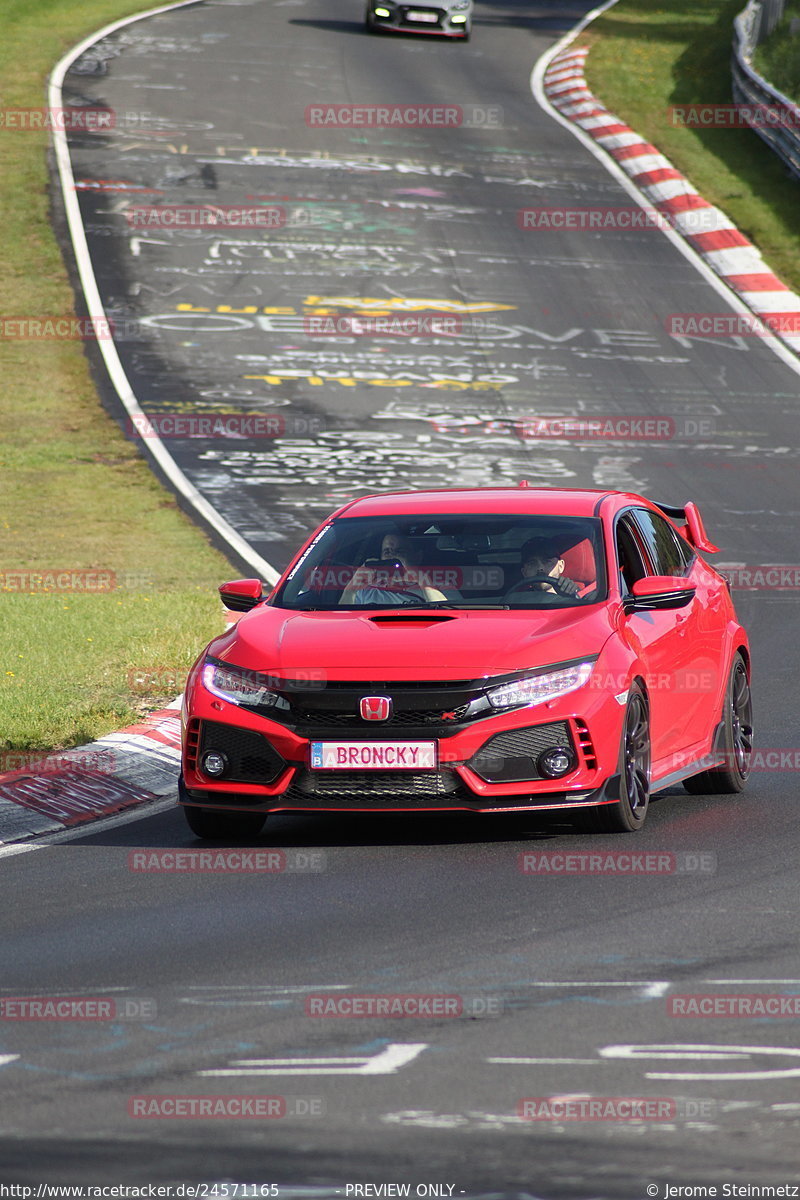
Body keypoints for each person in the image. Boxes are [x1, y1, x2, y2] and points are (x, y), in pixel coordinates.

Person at [339, 534, 449, 605]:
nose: (393, 557)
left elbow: (450, 616)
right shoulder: (365, 589)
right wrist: (351, 590)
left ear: (417, 557)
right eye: (387, 552)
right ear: (381, 557)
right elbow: (344, 623)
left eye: (400, 552)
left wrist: (422, 579)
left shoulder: (438, 585)